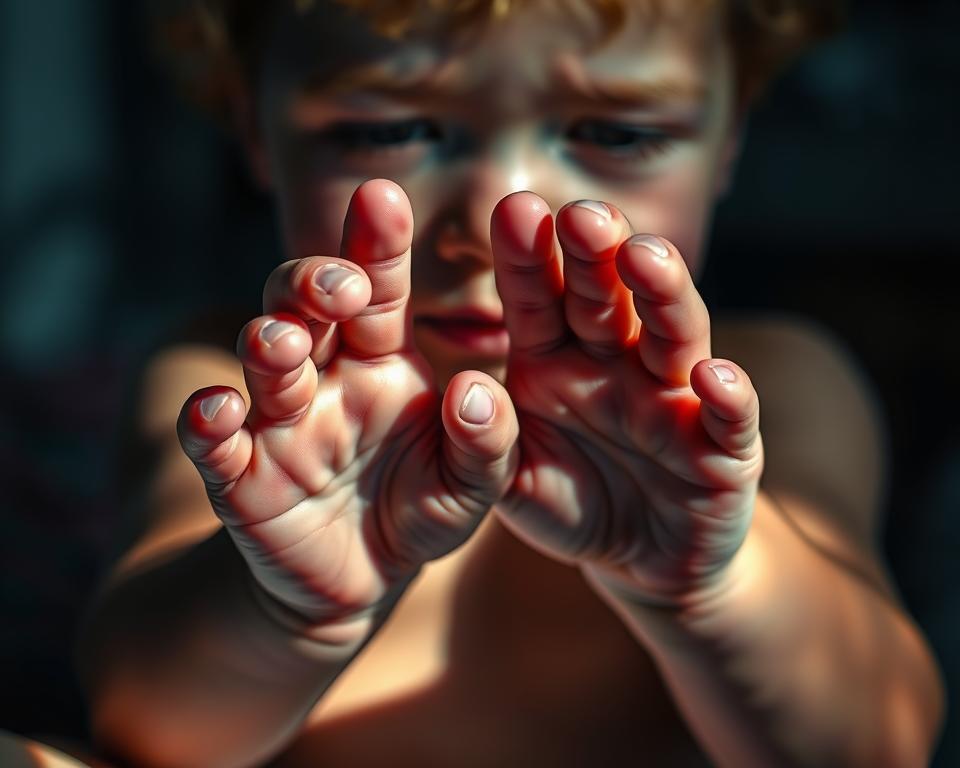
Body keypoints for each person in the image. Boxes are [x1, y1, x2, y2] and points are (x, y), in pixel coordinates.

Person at [78, 1, 945, 766]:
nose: (492, 224)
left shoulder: (769, 388)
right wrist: (286, 605)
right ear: (254, 131)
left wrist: (711, 586)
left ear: (731, 138)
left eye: (617, 134)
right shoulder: (243, 392)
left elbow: (879, 745)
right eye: (387, 131)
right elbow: (144, 728)